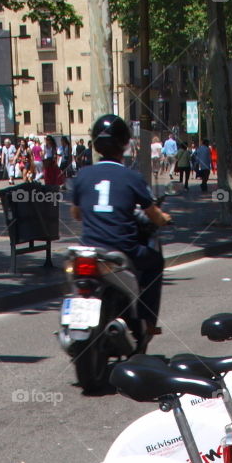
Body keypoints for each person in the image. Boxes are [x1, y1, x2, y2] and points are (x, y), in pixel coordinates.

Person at [70, 113, 172, 337]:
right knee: (155, 262)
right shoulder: (131, 177)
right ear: (125, 144)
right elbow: (153, 214)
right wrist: (164, 218)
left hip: (89, 249)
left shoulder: (83, 175)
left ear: (95, 144)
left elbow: (76, 214)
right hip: (123, 249)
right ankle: (147, 321)